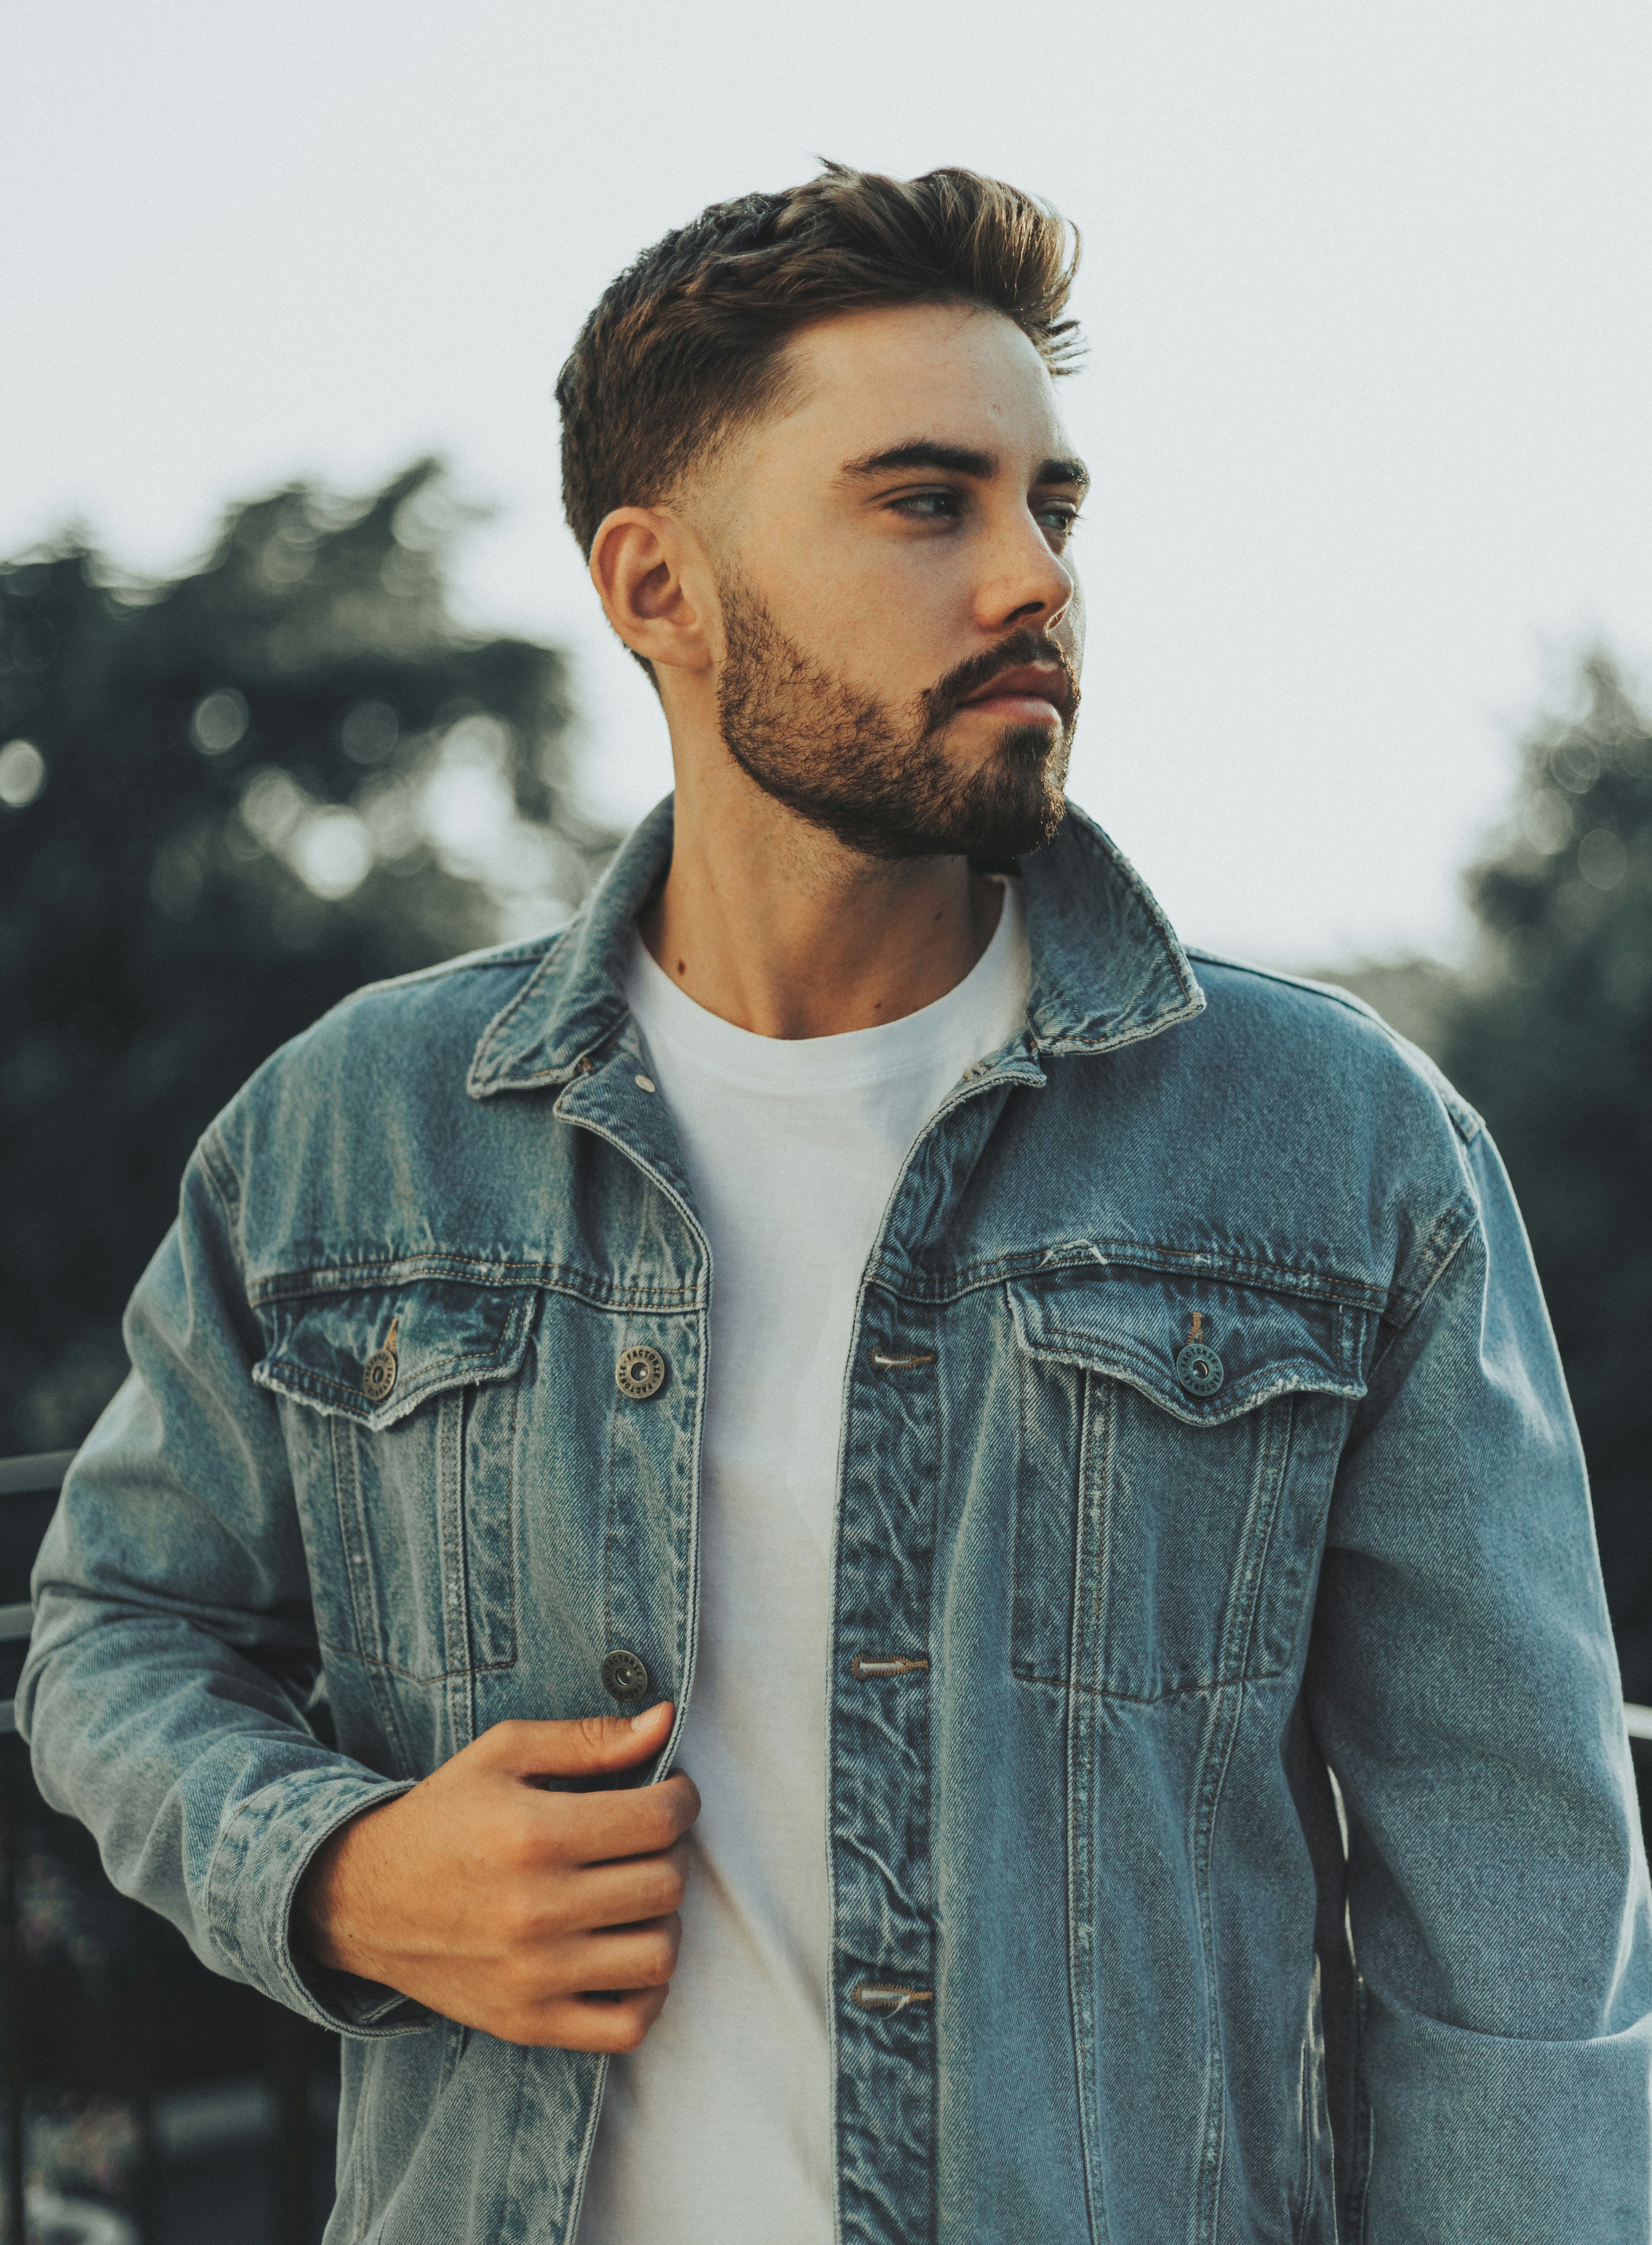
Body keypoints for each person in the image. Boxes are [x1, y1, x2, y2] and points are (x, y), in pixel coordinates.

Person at [21, 164, 1651, 2244]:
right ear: (656, 588)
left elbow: (1520, 1931)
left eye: (1052, 507)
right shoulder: (350, 1139)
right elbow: (115, 1626)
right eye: (925, 501)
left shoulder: (1340, 1153)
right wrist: (332, 1871)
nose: (1031, 581)